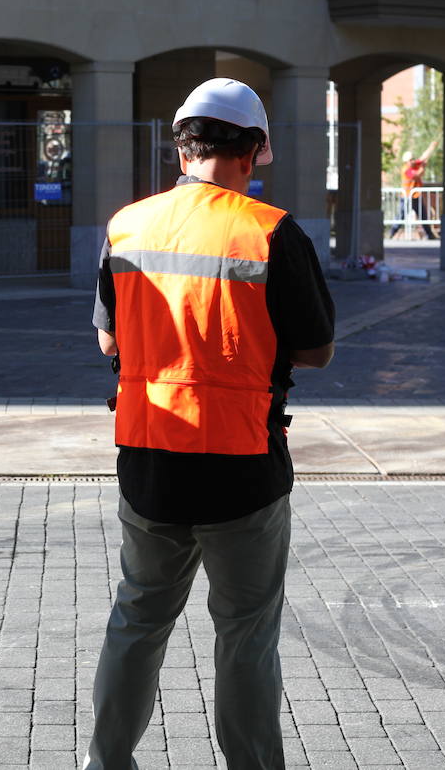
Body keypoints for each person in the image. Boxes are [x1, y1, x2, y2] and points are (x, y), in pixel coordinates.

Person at [84, 78, 335, 770]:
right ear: (254, 150)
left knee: (137, 621)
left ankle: (105, 764)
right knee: (246, 635)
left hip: (148, 460)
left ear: (182, 144)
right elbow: (316, 348)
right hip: (242, 464)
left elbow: (109, 341)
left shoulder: (127, 226)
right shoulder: (272, 232)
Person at [389, 138, 439, 240]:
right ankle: (391, 234)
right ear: (407, 161)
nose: (413, 161)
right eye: (411, 160)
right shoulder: (406, 170)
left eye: (413, 159)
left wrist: (431, 147)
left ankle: (430, 235)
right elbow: (417, 175)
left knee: (423, 215)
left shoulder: (414, 165)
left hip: (415, 196)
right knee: (401, 217)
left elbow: (423, 157)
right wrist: (423, 168)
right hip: (407, 197)